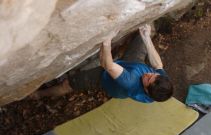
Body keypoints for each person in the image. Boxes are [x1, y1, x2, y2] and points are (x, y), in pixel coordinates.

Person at [30, 24, 173, 103]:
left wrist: (107, 41)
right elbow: (158, 65)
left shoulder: (129, 82)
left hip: (107, 77)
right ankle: (124, 54)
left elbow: (107, 65)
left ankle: (38, 95)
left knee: (67, 85)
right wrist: (146, 38)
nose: (148, 74)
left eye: (148, 79)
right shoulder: (162, 85)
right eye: (153, 75)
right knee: (149, 28)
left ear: (147, 90)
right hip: (133, 63)